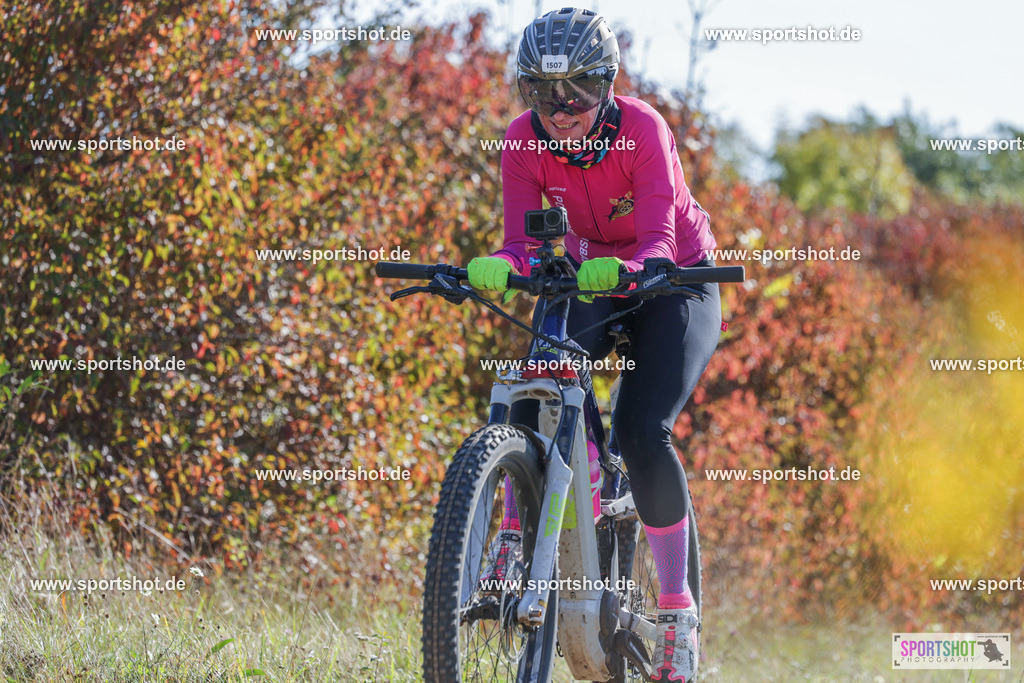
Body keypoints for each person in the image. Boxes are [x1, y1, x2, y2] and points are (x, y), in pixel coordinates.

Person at [467, 7, 720, 681]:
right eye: (541, 93)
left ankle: (677, 613)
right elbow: (521, 243)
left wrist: (638, 265)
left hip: (675, 280)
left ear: (607, 84)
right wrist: (501, 261)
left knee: (643, 431)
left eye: (576, 90)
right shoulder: (523, 139)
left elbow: (660, 237)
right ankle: (515, 534)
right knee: (541, 373)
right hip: (592, 273)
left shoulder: (642, 128)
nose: (560, 109)